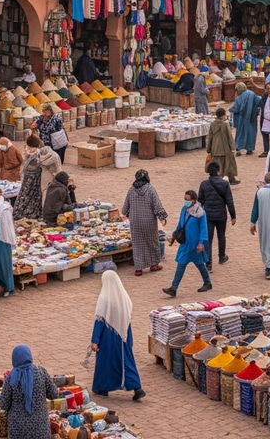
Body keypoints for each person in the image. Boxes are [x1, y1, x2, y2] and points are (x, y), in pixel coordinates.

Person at [90, 270, 146, 401]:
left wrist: (95, 340)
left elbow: (99, 321)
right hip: (124, 334)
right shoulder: (124, 297)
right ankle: (136, 387)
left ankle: (102, 388)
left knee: (105, 361)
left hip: (109, 336)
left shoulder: (104, 299)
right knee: (126, 360)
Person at [0, 344, 58, 439]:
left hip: (18, 431)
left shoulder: (11, 378)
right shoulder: (41, 372)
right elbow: (54, 394)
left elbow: (3, 404)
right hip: (40, 429)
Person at [162, 190, 212, 297]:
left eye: (188, 200)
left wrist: (201, 243)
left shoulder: (200, 213)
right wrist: (174, 236)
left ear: (194, 200)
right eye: (185, 199)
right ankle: (174, 288)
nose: (186, 202)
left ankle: (207, 282)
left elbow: (204, 229)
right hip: (185, 244)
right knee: (181, 264)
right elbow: (180, 224)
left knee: (200, 264)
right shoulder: (184, 210)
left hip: (195, 245)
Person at [122, 170, 168, 277]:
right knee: (152, 242)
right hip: (149, 222)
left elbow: (125, 209)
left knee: (137, 244)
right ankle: (154, 264)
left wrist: (129, 214)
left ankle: (138, 269)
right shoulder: (150, 189)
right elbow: (157, 205)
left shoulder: (131, 190)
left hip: (135, 222)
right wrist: (162, 217)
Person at [198, 161, 236, 269]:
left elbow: (200, 201)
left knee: (208, 239)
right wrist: (233, 216)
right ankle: (222, 256)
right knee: (221, 236)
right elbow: (229, 201)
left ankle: (208, 263)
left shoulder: (204, 184)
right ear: (219, 171)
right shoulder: (224, 184)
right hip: (221, 215)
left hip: (208, 215)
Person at [13, 139, 60, 221]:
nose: (29, 149)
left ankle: (30, 214)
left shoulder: (38, 157)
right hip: (39, 182)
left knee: (32, 198)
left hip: (38, 182)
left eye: (31, 147)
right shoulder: (40, 155)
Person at [205, 107, 239, 185]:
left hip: (215, 149)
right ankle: (229, 179)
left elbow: (209, 137)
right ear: (223, 116)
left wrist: (209, 148)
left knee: (218, 165)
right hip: (225, 148)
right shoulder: (225, 124)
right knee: (228, 164)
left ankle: (217, 179)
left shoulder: (213, 124)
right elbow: (229, 136)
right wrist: (233, 147)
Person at [229, 82, 261, 155]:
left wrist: (230, 110)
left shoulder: (238, 98)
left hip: (241, 118)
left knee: (240, 133)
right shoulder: (252, 94)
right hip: (252, 118)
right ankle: (249, 149)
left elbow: (236, 108)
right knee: (251, 133)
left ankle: (238, 149)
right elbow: (259, 102)